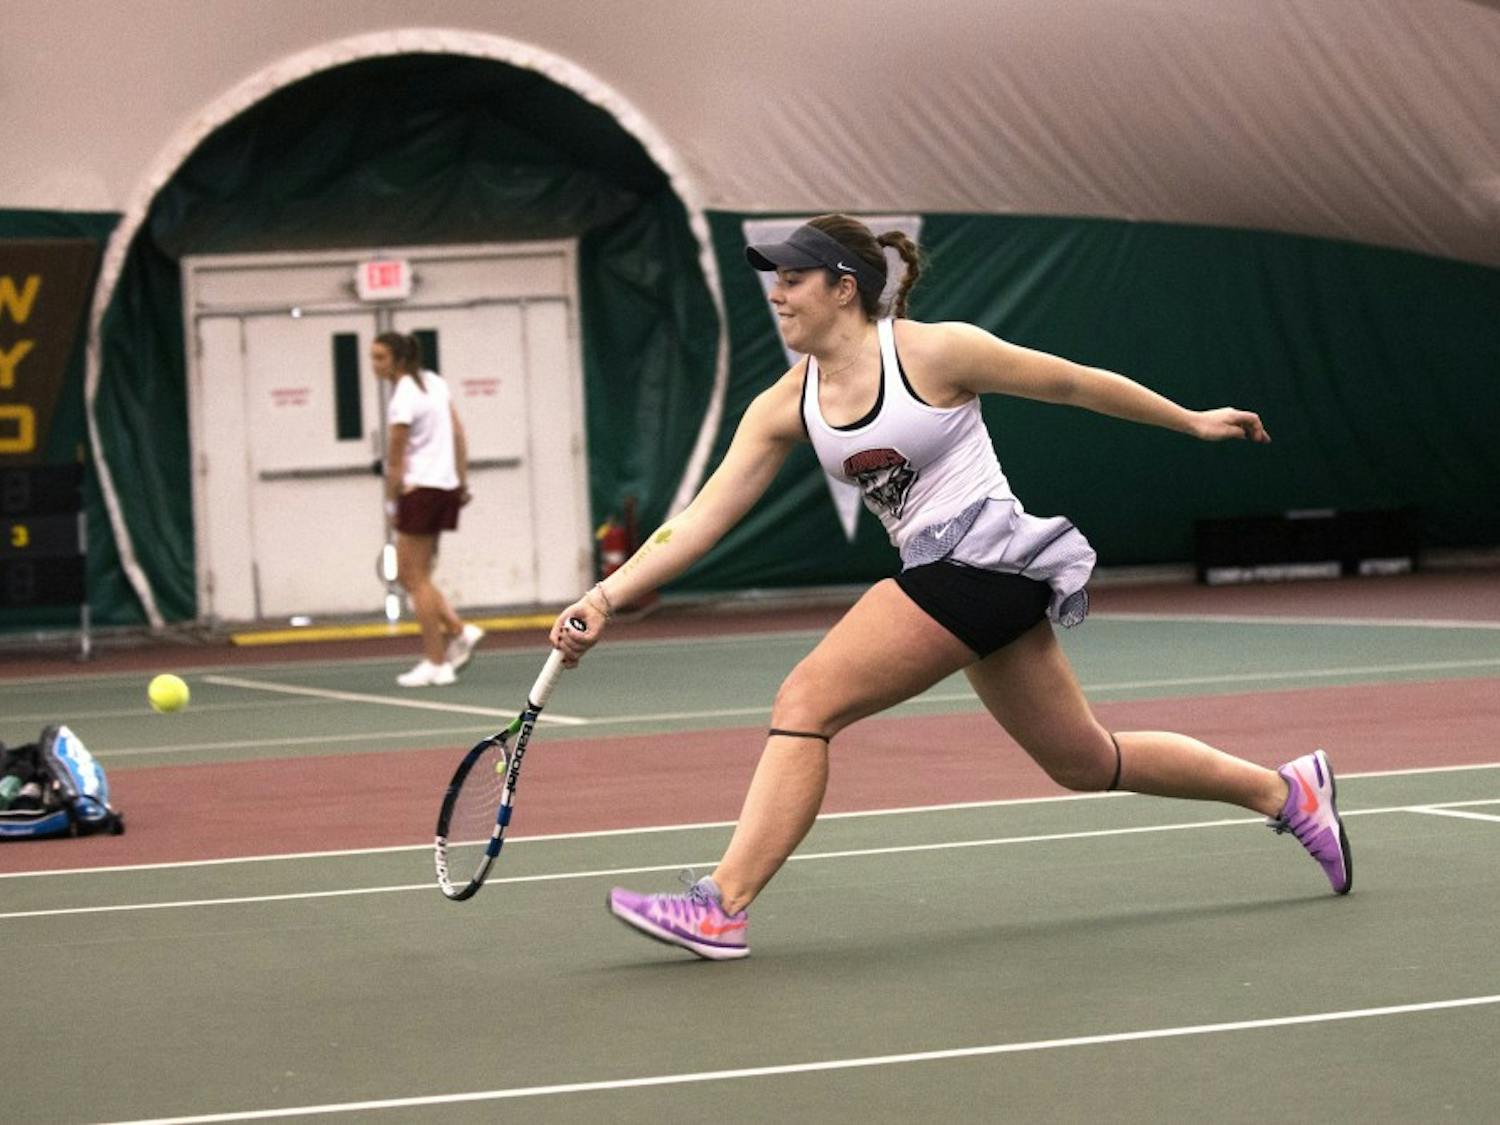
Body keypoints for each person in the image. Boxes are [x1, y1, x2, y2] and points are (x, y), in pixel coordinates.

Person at [549, 215, 1352, 960]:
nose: (777, 294)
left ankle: (721, 904)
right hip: (953, 580)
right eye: (775, 279)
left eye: (793, 279)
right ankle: (1286, 792)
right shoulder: (783, 405)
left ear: (843, 287)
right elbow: (701, 518)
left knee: (806, 701)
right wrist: (607, 596)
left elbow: (1072, 383)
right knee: (1083, 759)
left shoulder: (935, 353)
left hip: (985, 560)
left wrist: (1191, 419)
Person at [372, 331, 484, 688]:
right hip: (444, 489)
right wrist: (461, 483)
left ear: (399, 360)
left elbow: (395, 458)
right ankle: (457, 631)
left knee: (413, 577)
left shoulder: (404, 397)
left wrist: (392, 502)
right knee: (414, 575)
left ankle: (437, 661)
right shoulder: (435, 383)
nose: (374, 365)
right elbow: (459, 435)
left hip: (420, 491)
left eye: (380, 358)